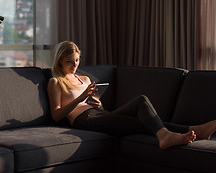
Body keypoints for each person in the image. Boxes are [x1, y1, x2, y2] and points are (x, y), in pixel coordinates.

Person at [47, 41, 216, 149]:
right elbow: (56, 114)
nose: (74, 64)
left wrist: (98, 104)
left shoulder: (84, 78)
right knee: (141, 121)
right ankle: (183, 132)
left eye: (76, 60)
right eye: (69, 61)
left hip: (100, 114)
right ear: (60, 61)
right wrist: (80, 98)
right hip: (84, 121)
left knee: (141, 101)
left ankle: (186, 131)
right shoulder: (56, 82)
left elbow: (99, 106)